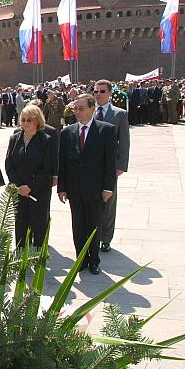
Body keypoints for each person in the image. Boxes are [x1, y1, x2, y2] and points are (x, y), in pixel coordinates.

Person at [57, 94, 116, 275]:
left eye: (81, 109)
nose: (77, 112)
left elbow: (110, 162)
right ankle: (80, 259)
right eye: (75, 109)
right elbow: (63, 162)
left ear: (92, 108)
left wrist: (108, 188)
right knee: (78, 225)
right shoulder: (68, 132)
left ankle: (94, 259)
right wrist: (62, 188)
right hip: (75, 189)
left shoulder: (106, 130)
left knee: (94, 225)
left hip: (96, 189)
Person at [5, 105, 56, 249]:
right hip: (19, 191)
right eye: (23, 120)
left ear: (37, 121)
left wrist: (30, 187)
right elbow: (9, 165)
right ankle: (20, 258)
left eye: (30, 120)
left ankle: (39, 256)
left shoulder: (46, 140)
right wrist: (19, 186)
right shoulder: (15, 138)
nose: (26, 123)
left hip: (39, 192)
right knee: (20, 225)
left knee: (39, 225)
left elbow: (47, 169)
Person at [93, 79, 130, 253]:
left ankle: (106, 238)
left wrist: (121, 165)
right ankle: (93, 235)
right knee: (92, 202)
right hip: (91, 166)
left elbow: (124, 142)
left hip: (110, 166)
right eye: (95, 91)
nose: (98, 95)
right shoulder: (87, 111)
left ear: (109, 93)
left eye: (102, 91)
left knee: (108, 203)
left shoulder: (119, 114)